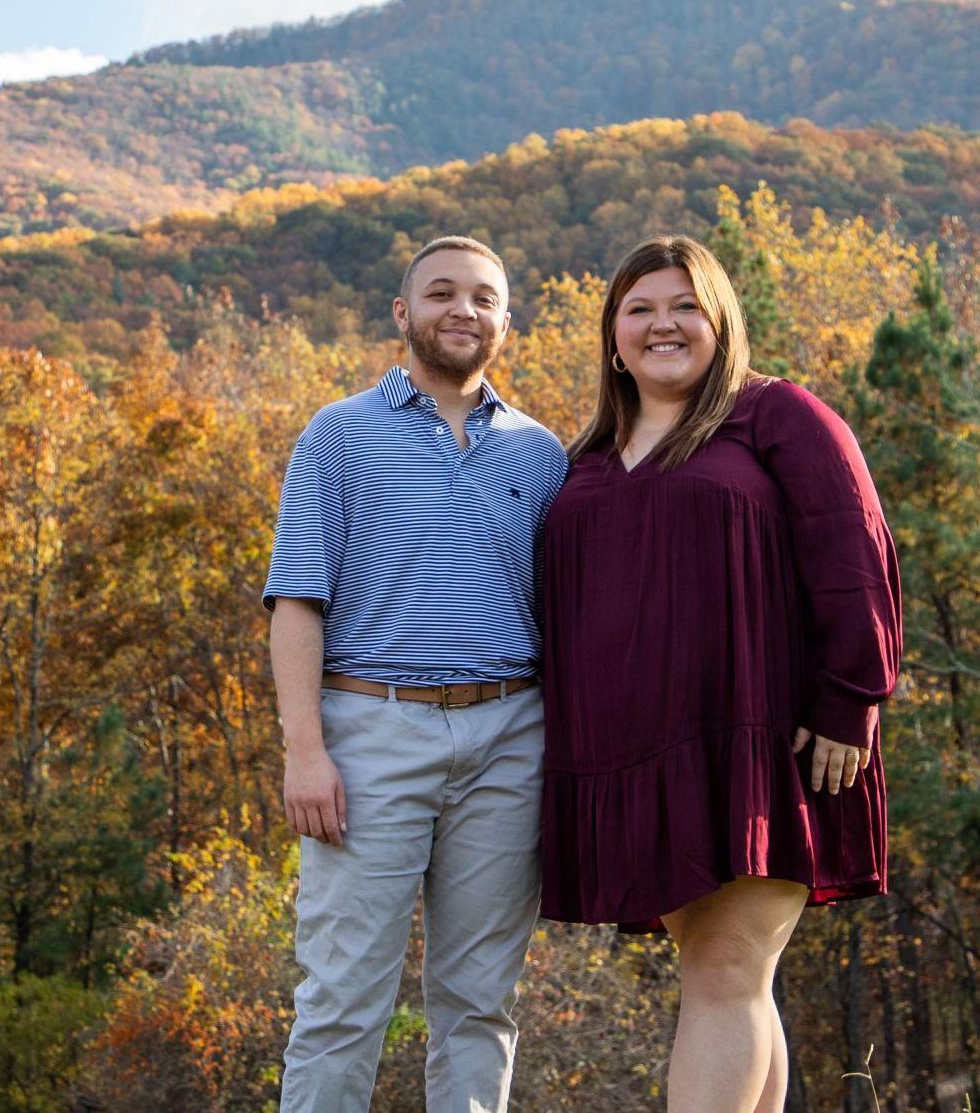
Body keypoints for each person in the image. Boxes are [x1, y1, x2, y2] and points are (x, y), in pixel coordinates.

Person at [539, 234, 903, 1112]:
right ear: (612, 336)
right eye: (639, 308)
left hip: (761, 745)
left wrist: (851, 700)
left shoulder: (774, 415)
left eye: (684, 306)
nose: (662, 324)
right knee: (729, 974)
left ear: (720, 321)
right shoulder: (585, 457)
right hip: (637, 759)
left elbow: (854, 552)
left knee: (725, 968)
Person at [265, 234, 570, 1112]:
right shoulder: (339, 434)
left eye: (482, 297)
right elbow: (296, 602)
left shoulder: (540, 454)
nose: (461, 310)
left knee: (480, 1005)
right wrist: (304, 751)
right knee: (342, 1001)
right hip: (370, 734)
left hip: (508, 738)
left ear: (505, 322)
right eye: (440, 293)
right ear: (402, 313)